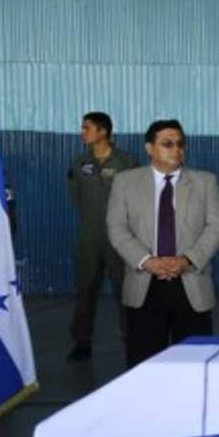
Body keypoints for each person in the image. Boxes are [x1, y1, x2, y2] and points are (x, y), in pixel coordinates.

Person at [106, 119, 219, 367]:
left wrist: (187, 260)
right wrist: (146, 261)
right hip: (144, 284)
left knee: (195, 364)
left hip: (191, 283)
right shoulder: (125, 182)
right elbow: (116, 227)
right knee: (143, 364)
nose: (177, 149)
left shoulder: (206, 182)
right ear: (149, 148)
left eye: (181, 144)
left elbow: (217, 227)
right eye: (168, 144)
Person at [65, 112, 138, 361]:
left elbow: (138, 199)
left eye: (87, 128)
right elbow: (76, 197)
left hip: (121, 238)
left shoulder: (127, 162)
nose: (82, 132)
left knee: (126, 290)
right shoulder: (79, 163)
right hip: (90, 237)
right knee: (85, 290)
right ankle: (82, 342)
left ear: (103, 131)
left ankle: (132, 338)